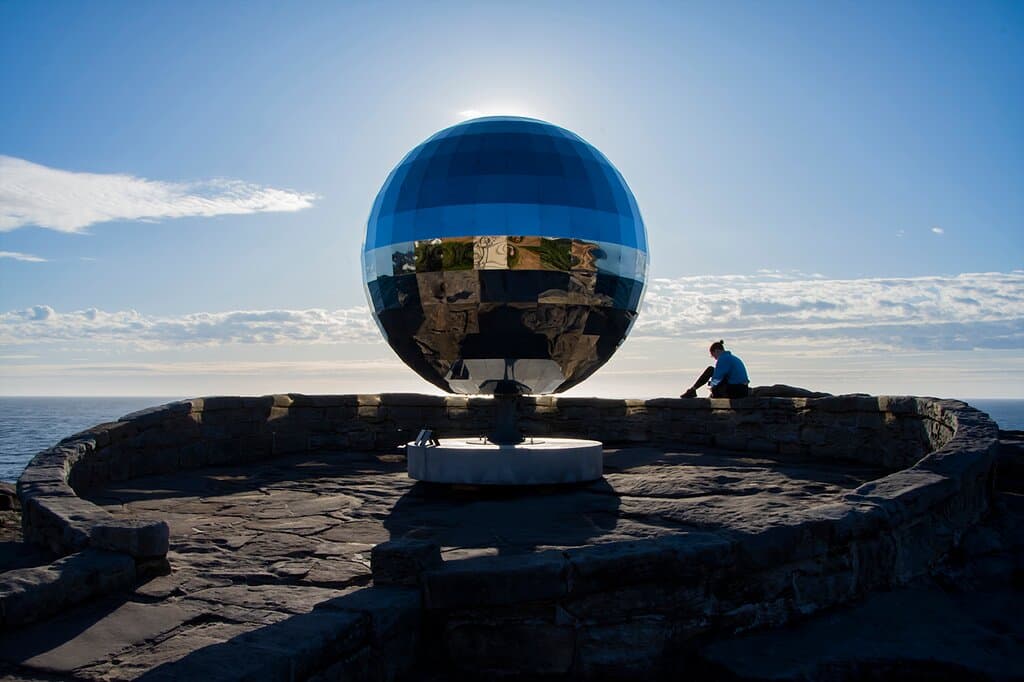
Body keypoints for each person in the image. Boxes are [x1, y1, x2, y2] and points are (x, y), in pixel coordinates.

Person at [681, 340, 750, 399]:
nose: (714, 358)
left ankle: (692, 390)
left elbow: (717, 378)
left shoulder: (723, 359)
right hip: (743, 389)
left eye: (713, 355)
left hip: (736, 391)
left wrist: (711, 386)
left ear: (717, 351)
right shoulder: (732, 358)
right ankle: (692, 390)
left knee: (710, 370)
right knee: (713, 371)